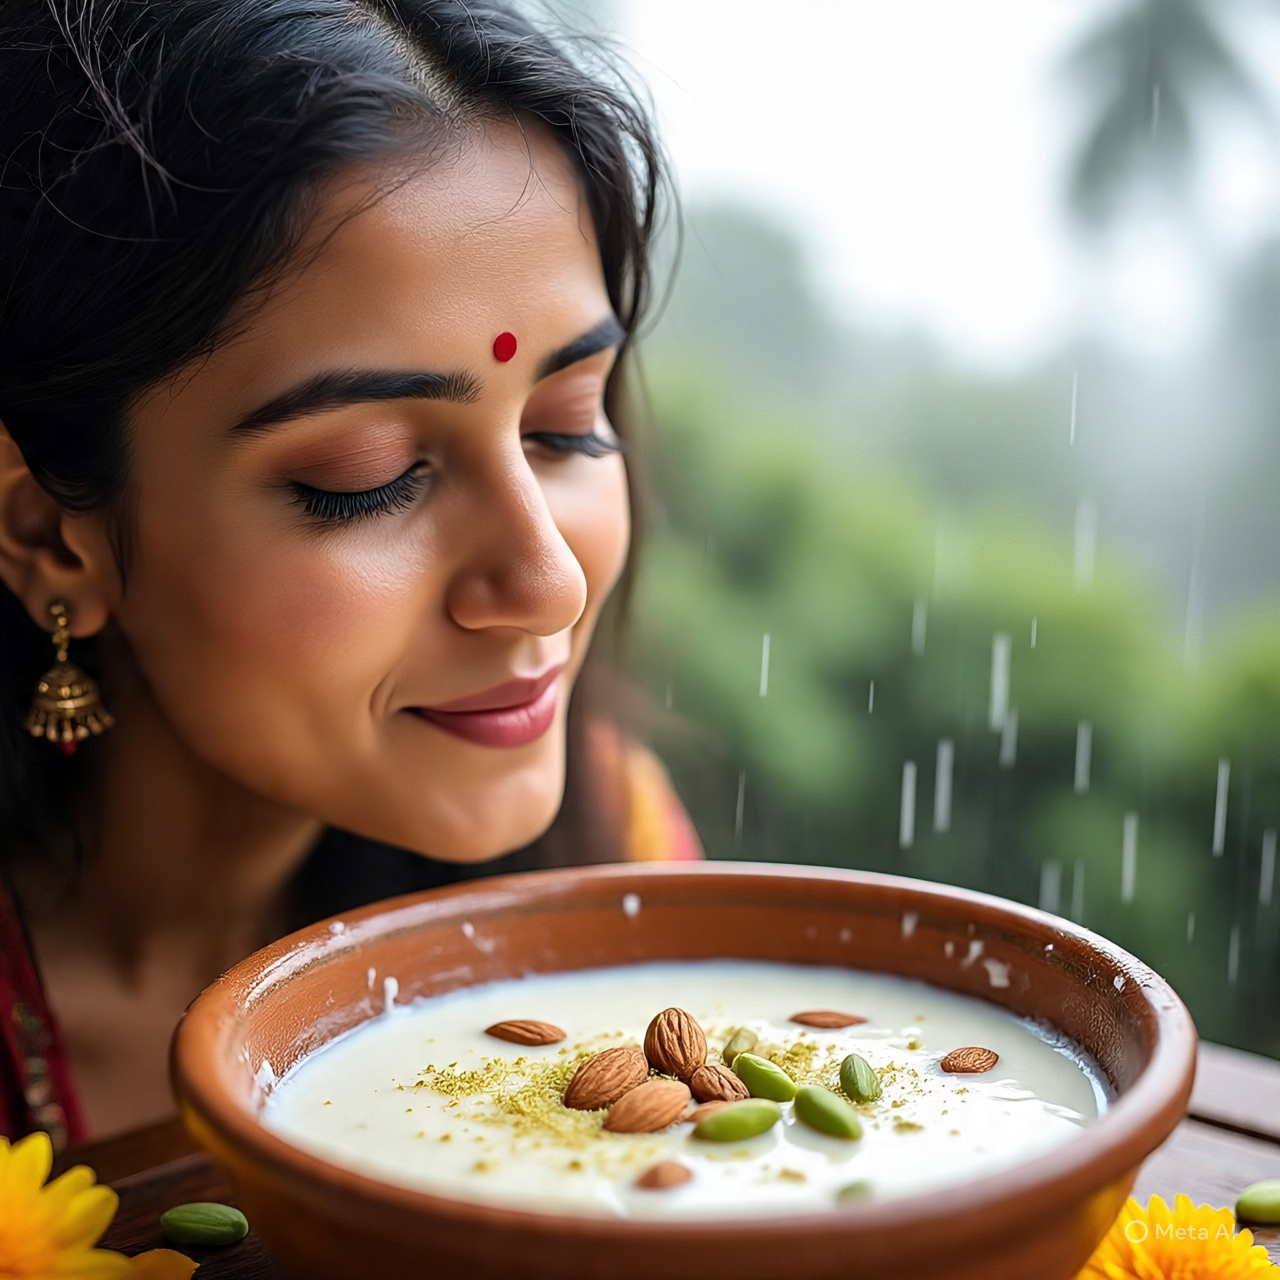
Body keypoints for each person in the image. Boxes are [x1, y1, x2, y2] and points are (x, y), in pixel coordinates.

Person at [0, 0, 698, 1149]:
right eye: (365, 478)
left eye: (567, 426)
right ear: (48, 537)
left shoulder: (612, 837)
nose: (548, 582)